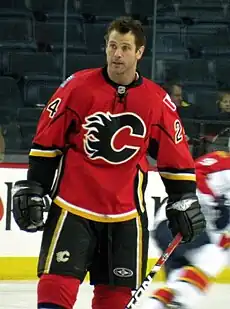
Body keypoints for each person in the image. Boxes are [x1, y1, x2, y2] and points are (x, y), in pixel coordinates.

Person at [11, 17, 205, 309]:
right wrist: (35, 185)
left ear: (139, 53)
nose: (117, 54)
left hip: (125, 218)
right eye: (113, 46)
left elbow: (174, 157)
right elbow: (47, 143)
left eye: (126, 47)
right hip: (72, 209)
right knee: (55, 290)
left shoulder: (156, 102)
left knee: (113, 301)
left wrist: (183, 198)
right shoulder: (77, 88)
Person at [143, 149, 230, 309]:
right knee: (213, 256)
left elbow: (222, 231)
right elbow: (194, 175)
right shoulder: (224, 162)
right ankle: (182, 301)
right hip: (177, 219)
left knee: (175, 286)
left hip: (182, 228)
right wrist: (215, 202)